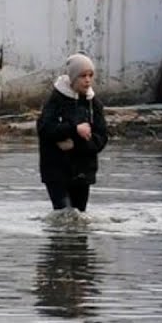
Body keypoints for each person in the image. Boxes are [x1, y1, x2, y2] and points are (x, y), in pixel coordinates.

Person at [36, 53, 109, 212]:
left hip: (83, 172)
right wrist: (73, 129)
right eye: (83, 76)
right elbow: (44, 129)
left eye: (90, 75)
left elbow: (101, 137)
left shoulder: (93, 104)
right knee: (63, 213)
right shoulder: (56, 100)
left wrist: (76, 144)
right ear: (72, 78)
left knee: (79, 216)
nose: (88, 80)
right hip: (56, 171)